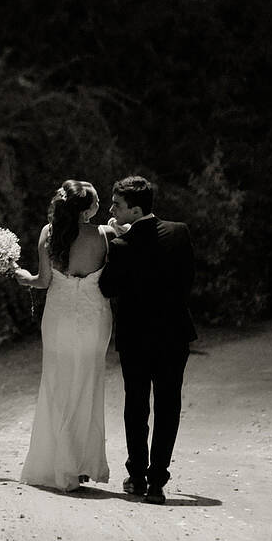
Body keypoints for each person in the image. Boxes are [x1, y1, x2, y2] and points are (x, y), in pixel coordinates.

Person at [99, 174, 197, 504]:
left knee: (136, 406)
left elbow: (107, 288)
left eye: (117, 204)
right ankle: (157, 481)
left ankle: (137, 475)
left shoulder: (121, 245)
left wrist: (122, 240)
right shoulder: (180, 232)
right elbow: (188, 280)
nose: (111, 208)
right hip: (173, 334)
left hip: (136, 337)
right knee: (169, 406)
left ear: (136, 211)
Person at [14, 180, 116, 492]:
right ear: (87, 209)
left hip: (58, 319)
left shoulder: (49, 233)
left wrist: (23, 277)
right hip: (93, 318)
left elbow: (43, 281)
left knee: (57, 383)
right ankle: (79, 463)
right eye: (97, 201)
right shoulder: (106, 235)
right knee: (87, 384)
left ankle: (58, 462)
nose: (100, 206)